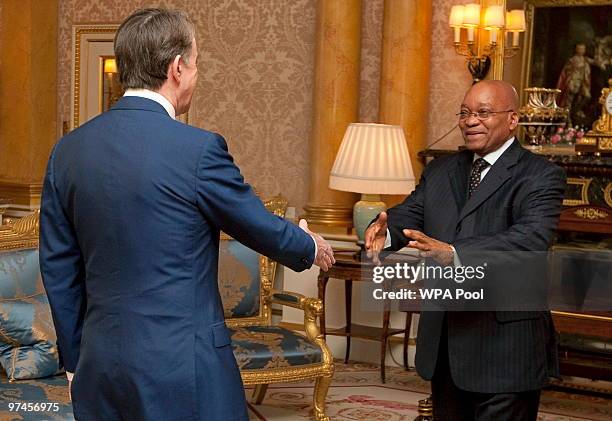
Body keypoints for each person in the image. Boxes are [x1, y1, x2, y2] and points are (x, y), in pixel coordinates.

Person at [39, 8, 334, 421]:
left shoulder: (67, 152)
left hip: (100, 362)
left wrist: (74, 361)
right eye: (195, 64)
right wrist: (309, 244)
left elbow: (58, 269)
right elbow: (254, 224)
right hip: (183, 366)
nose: (196, 74)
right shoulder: (198, 150)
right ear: (177, 67)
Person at [365, 80, 566, 420]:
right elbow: (410, 212)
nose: (470, 120)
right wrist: (383, 230)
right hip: (446, 343)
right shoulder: (442, 169)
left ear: (513, 119)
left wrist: (454, 253)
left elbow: (531, 238)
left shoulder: (541, 175)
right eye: (465, 112)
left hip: (505, 346)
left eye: (483, 113)